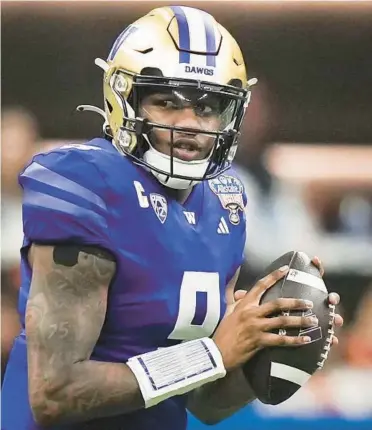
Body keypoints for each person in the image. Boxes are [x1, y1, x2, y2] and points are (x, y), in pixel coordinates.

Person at [1, 6, 343, 430]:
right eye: (167, 102)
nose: (190, 124)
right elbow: (54, 392)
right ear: (124, 99)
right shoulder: (87, 183)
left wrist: (269, 348)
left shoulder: (226, 202)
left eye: (208, 107)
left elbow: (204, 403)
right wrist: (214, 353)